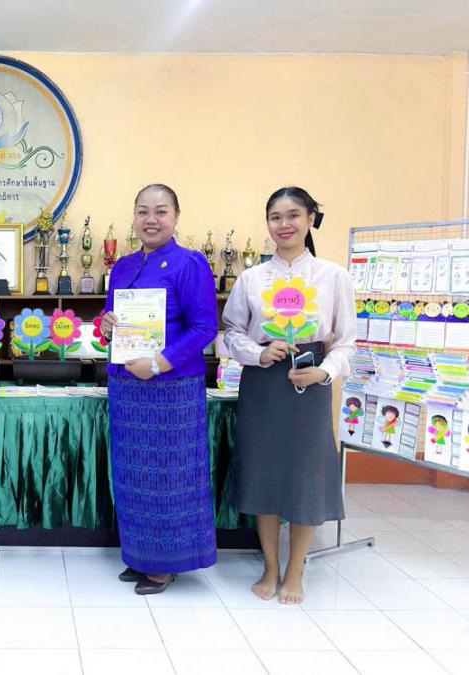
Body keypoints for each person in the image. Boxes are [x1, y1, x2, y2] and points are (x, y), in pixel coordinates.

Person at [222, 186, 356, 604]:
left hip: (309, 384)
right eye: (276, 217)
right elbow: (232, 332)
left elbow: (347, 341)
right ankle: (271, 565)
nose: (284, 225)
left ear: (311, 219)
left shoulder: (333, 276)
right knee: (264, 472)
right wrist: (259, 353)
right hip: (263, 383)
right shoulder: (252, 278)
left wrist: (324, 371)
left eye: (294, 215)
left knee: (305, 476)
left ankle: (296, 569)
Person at [100, 184, 218, 594]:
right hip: (127, 388)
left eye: (161, 211)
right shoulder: (123, 266)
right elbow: (111, 321)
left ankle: (166, 563)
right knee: (132, 476)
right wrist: (107, 325)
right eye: (143, 211)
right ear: (133, 216)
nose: (151, 220)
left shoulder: (190, 263)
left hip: (171, 389)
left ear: (176, 217)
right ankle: (140, 555)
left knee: (169, 478)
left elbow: (205, 327)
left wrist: (158, 363)